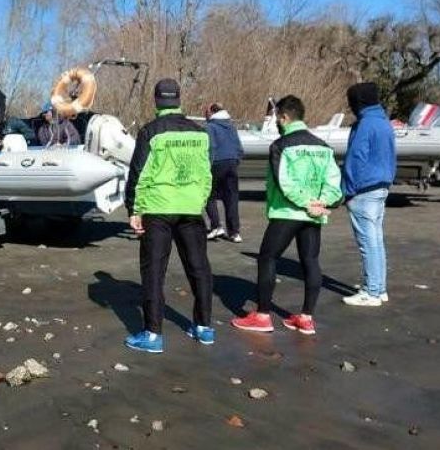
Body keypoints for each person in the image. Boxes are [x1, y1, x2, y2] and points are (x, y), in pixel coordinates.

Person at [231, 95, 343, 335]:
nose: (276, 123)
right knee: (310, 261)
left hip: (287, 212)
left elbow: (285, 183)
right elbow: (334, 183)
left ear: (284, 117)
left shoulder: (281, 146)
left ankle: (262, 316)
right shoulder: (323, 146)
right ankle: (306, 318)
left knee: (267, 258)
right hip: (313, 214)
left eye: (276, 119)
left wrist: (305, 203)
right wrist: (321, 202)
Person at [123, 78, 216, 352]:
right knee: (199, 268)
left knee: (154, 271)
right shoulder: (200, 133)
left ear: (156, 100)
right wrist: (199, 199)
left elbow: (138, 172)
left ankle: (153, 335)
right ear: (179, 100)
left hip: (158, 208)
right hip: (190, 208)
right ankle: (204, 327)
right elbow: (206, 174)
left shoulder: (150, 131)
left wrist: (133, 209)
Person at [341, 82, 396, 307]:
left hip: (363, 190)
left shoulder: (365, 125)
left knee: (368, 242)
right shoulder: (384, 123)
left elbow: (355, 159)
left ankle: (372, 292)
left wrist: (347, 191)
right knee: (376, 240)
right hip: (381, 186)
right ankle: (378, 288)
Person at [204, 102, 244, 242]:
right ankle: (235, 232)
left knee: (208, 194)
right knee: (231, 197)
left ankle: (216, 225)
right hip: (232, 162)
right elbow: (239, 147)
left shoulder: (210, 127)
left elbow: (211, 147)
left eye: (206, 112)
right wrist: (236, 160)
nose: (205, 114)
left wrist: (207, 166)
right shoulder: (231, 127)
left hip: (217, 163)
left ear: (212, 112)